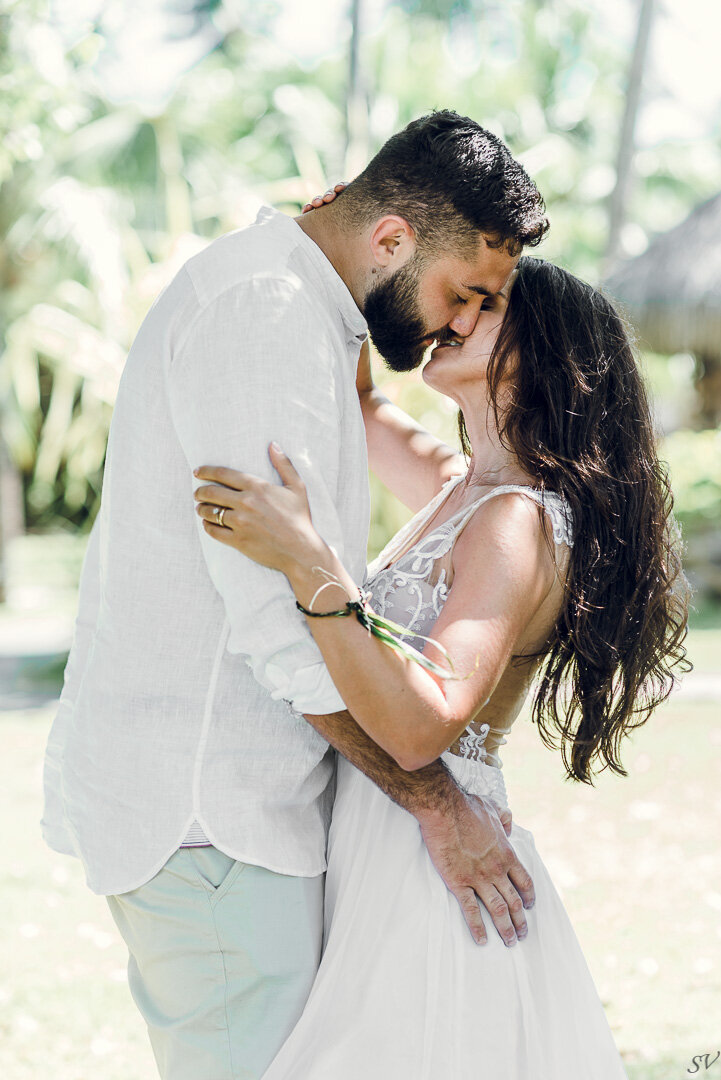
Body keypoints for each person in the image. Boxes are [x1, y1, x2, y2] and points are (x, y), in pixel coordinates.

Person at [40, 111, 551, 1080]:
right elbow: (279, 630)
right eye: (465, 292)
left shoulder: (296, 308)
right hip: (211, 810)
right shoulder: (266, 313)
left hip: (244, 811)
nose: (462, 321)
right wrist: (439, 807)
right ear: (392, 239)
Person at [193, 252, 691, 1078]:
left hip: (426, 859)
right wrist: (348, 261)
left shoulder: (515, 524)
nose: (452, 313)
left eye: (482, 304)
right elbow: (360, 402)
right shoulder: (456, 485)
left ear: (541, 349)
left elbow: (424, 724)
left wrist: (307, 563)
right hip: (376, 829)